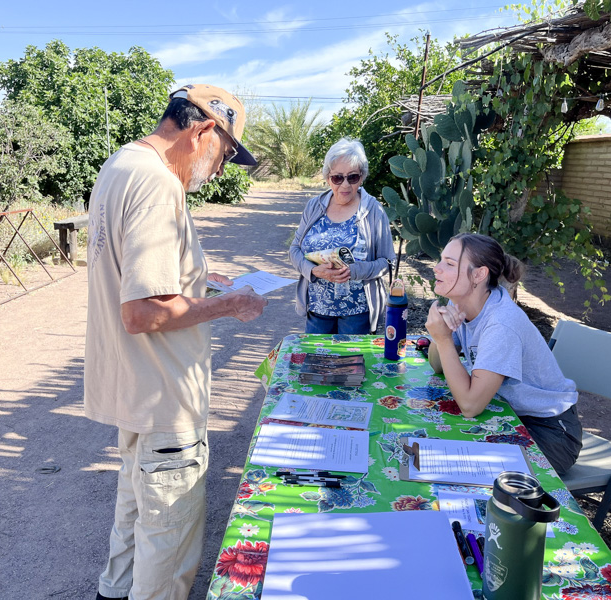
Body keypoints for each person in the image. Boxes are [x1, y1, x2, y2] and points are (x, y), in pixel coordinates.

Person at [84, 84, 268, 600]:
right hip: (165, 401)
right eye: (226, 153)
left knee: (133, 521)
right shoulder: (159, 185)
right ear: (204, 130)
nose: (221, 168)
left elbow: (136, 273)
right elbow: (142, 311)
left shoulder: (121, 164)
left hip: (134, 394)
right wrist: (230, 305)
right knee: (167, 547)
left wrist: (201, 277)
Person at [425, 233, 582, 475]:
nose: (437, 268)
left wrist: (444, 340)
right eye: (440, 260)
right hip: (509, 415)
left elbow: (470, 406)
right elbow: (437, 366)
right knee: (436, 443)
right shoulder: (466, 305)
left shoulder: (501, 324)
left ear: (479, 274)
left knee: (459, 467)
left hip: (551, 433)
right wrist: (440, 336)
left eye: (449, 263)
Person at [289, 137, 395, 334]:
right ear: (328, 177)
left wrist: (354, 271)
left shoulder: (373, 210)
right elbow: (294, 250)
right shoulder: (314, 206)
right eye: (338, 178)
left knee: (350, 364)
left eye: (352, 177)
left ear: (361, 177)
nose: (345, 185)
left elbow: (388, 262)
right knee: (317, 363)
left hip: (357, 312)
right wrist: (313, 271)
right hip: (317, 309)